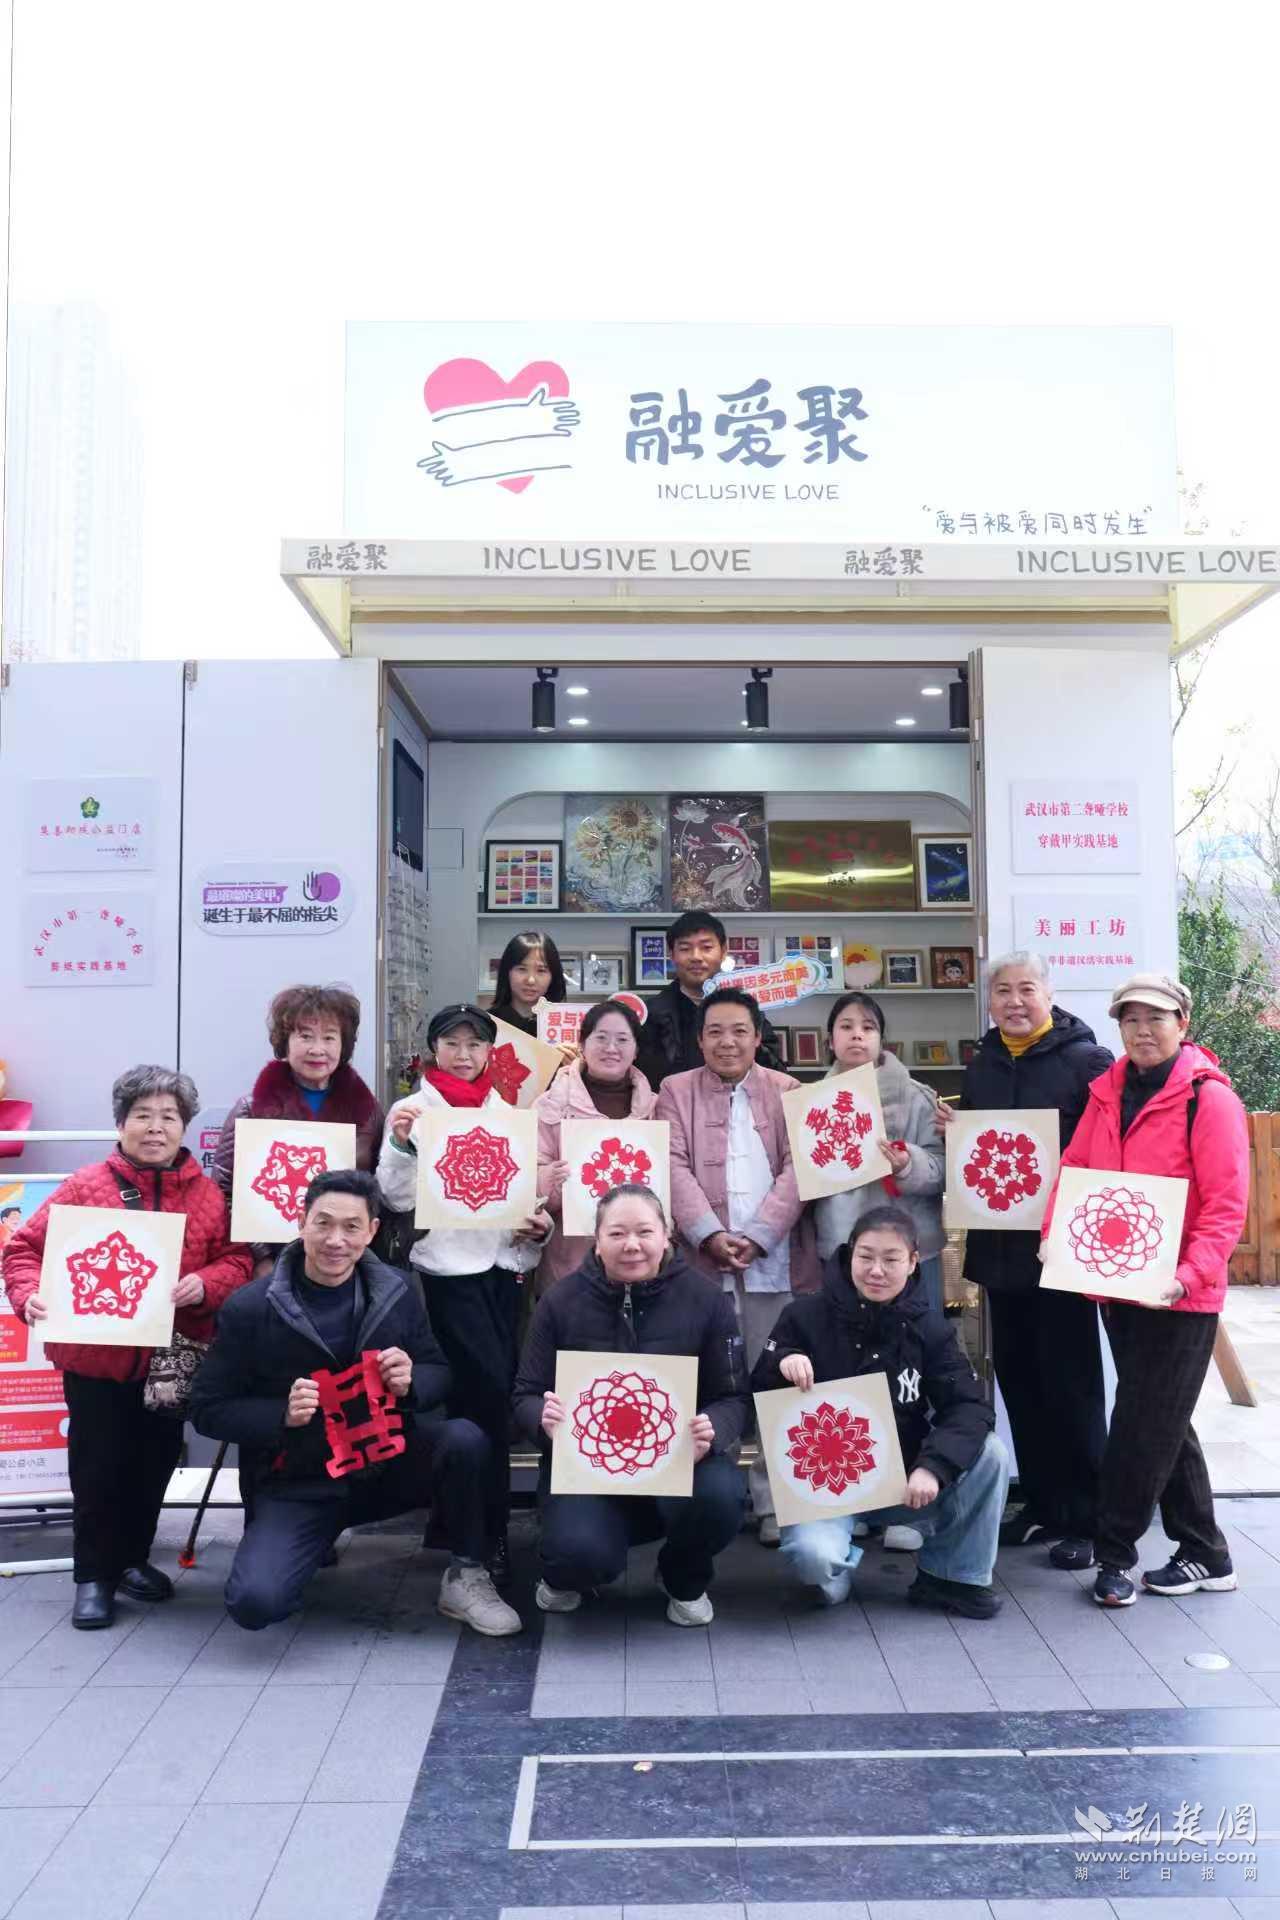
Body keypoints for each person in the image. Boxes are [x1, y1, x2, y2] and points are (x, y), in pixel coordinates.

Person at [191, 1169, 520, 1636]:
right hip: (299, 1482)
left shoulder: (397, 1290)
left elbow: (438, 1370)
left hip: (385, 1469)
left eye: (351, 1227)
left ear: (372, 1231)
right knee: (255, 1603)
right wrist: (280, 1414)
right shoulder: (251, 1306)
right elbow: (207, 1408)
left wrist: (411, 1382)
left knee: (463, 1439)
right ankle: (308, 1540)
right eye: (323, 1223)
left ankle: (466, 1573)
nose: (336, 1240)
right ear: (301, 1222)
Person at [3, 1066, 252, 1630]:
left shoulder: (207, 1195)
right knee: (97, 1470)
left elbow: (236, 1260)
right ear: (120, 1124)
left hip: (168, 1364)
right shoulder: (85, 1186)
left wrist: (205, 1284)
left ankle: (132, 1559)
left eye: (169, 1117)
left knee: (154, 1464)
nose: (156, 1127)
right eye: (143, 1115)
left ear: (184, 1127)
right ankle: (93, 1577)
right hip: (95, 1361)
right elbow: (22, 1251)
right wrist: (28, 1293)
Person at [1040, 973, 1250, 1609]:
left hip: (1181, 1295)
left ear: (1182, 1024)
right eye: (1130, 1020)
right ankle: (1207, 1551)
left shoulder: (1209, 1100)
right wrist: (1054, 1235)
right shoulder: (1106, 1092)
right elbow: (1075, 1170)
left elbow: (1226, 1207)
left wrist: (1187, 1275)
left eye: (1155, 1018)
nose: (1142, 1030)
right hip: (1118, 1287)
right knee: (1162, 1420)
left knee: (1138, 1423)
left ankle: (1115, 1553)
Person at [753, 1206, 1008, 1617]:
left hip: (903, 1480)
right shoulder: (803, 1315)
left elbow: (968, 1406)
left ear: (913, 1261)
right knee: (816, 1561)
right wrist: (782, 1361)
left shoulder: (931, 1328)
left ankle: (950, 1576)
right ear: (848, 1254)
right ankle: (836, 1563)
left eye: (891, 1259)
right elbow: (757, 1393)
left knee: (990, 1452)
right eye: (866, 1256)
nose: (876, 1270)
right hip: (822, 1488)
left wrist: (933, 1467)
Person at [945, 950, 1113, 1571]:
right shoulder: (984, 1061)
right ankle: (1043, 1503)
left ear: (1049, 993)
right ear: (989, 1001)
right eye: (1003, 992)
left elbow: (1106, 1150)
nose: (1014, 1002)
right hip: (1000, 1251)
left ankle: (1089, 1518)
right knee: (1020, 1381)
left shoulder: (1088, 1061)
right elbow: (983, 1148)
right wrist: (958, 1131)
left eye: (1026, 989)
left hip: (1060, 1251)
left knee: (1072, 1385)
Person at [512, 1183, 748, 1624]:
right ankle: (567, 1572)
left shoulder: (706, 1301)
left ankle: (682, 1575)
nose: (632, 1245)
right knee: (580, 1554)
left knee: (721, 1497)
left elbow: (733, 1396)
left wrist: (713, 1428)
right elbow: (525, 1393)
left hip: (681, 1463)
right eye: (617, 1233)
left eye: (644, 1231)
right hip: (586, 1472)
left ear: (667, 1233)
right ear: (597, 1241)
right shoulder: (561, 1301)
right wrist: (541, 1418)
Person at [377, 1004, 552, 1583]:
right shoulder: (414, 1111)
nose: (463, 1054)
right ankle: (486, 1536)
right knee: (485, 1400)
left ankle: (457, 1527)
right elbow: (394, 1198)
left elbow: (524, 1205)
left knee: (483, 1402)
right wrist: (403, 1146)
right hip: (447, 1276)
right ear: (434, 1049)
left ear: (489, 1052)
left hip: (504, 1274)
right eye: (451, 1043)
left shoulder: (509, 1115)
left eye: (474, 1044)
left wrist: (539, 1228)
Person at [656, 985, 816, 1544]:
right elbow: (671, 1165)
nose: (727, 1042)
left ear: (757, 1037)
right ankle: (711, 1501)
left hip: (777, 1260)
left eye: (739, 1031)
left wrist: (760, 1234)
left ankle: (776, 1505)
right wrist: (710, 1234)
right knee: (707, 1382)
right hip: (702, 1264)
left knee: (780, 1379)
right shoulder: (674, 1090)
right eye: (715, 1032)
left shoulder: (789, 1091)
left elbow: (800, 1167)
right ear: (700, 1039)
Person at [212, 984, 384, 1277]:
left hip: (342, 1257)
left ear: (343, 1045)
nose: (317, 1049)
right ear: (285, 1042)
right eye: (305, 1036)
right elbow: (223, 1194)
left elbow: (380, 1189)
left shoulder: (368, 1112)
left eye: (329, 1037)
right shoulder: (251, 1109)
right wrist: (261, 1257)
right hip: (275, 1261)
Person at [535, 999, 658, 1292]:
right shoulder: (550, 1105)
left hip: (641, 1261)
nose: (611, 1048)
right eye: (601, 1038)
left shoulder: (656, 1107)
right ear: (582, 1044)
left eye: (622, 1040)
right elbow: (525, 1182)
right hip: (570, 1264)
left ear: (636, 1049)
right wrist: (549, 1179)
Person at [639, 911, 780, 1086]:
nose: (696, 957)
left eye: (706, 948)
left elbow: (775, 1071)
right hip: (672, 1102)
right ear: (671, 954)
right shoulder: (650, 1014)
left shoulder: (746, 1009)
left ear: (723, 951)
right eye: (685, 949)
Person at [489, 930, 569, 1038]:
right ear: (506, 972)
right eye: (522, 969)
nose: (530, 980)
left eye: (541, 970)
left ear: (553, 975)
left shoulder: (565, 1026)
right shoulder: (486, 1024)